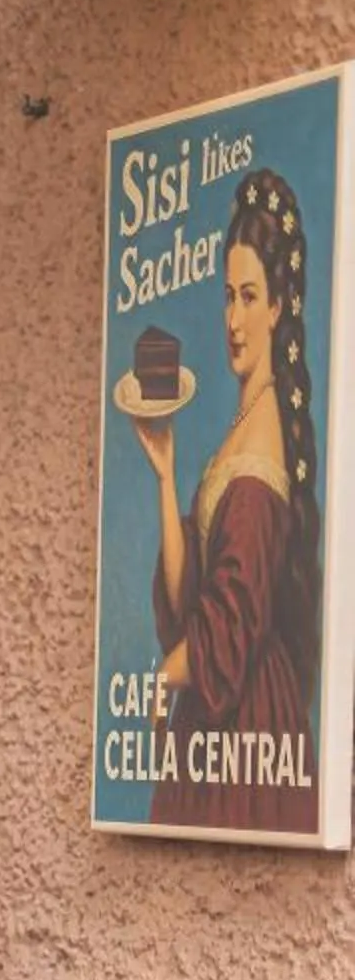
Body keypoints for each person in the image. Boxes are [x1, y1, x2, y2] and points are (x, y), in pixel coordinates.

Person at [129, 165, 323, 838]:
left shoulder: (261, 450)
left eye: (250, 296)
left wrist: (166, 677)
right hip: (220, 711)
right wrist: (164, 473)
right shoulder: (242, 428)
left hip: (246, 718)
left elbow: (225, 625)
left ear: (277, 307)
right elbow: (189, 603)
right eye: (227, 296)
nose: (233, 319)